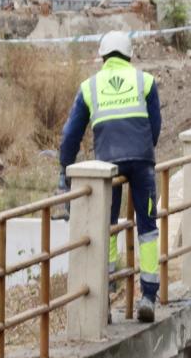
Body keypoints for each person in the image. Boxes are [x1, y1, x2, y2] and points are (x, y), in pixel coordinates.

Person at [59, 31, 162, 323]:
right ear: (129, 55)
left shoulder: (89, 87)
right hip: (141, 163)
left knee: (107, 226)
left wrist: (64, 168)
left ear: (103, 56)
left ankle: (105, 293)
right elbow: (155, 125)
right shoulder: (146, 81)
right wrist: (142, 153)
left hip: (106, 166)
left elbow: (70, 136)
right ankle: (148, 297)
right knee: (148, 228)